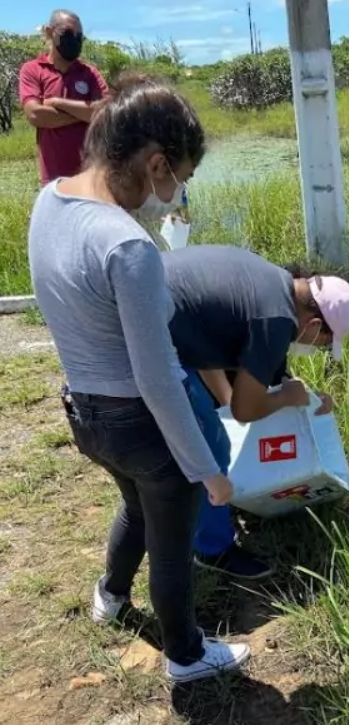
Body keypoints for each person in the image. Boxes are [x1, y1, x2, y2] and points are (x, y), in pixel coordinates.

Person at [27, 74, 251, 684]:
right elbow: (158, 379)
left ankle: (111, 595)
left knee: (134, 506)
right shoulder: (128, 246)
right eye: (179, 177)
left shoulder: (50, 200)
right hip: (138, 421)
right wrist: (208, 470)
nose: (174, 195)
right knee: (172, 540)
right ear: (156, 163)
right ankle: (186, 654)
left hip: (83, 413)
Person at [162, 246, 349, 578]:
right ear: (314, 325)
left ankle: (206, 511)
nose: (317, 349)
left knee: (210, 422)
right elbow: (245, 409)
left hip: (163, 318)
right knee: (211, 446)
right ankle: (212, 549)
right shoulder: (277, 320)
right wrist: (283, 398)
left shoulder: (276, 285)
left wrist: (305, 398)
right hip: (148, 336)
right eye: (323, 344)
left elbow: (219, 353)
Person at [19, 9, 108, 186]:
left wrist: (58, 103)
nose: (74, 40)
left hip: (91, 177)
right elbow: (36, 115)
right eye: (67, 33)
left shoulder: (89, 73)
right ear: (50, 33)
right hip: (54, 180)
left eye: (79, 36)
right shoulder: (33, 70)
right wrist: (85, 115)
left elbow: (105, 113)